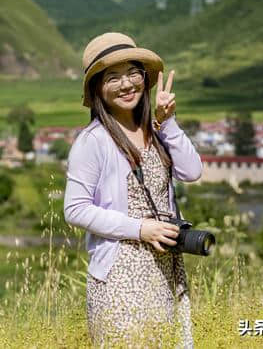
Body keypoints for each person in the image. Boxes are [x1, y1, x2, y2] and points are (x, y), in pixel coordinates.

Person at [63, 32, 203, 348]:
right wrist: (140, 229)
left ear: (144, 77)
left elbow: (192, 171)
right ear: (98, 88)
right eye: (113, 77)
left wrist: (169, 123)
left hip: (165, 269)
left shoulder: (155, 131)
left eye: (132, 73)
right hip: (120, 275)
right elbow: (75, 208)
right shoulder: (93, 141)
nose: (126, 85)